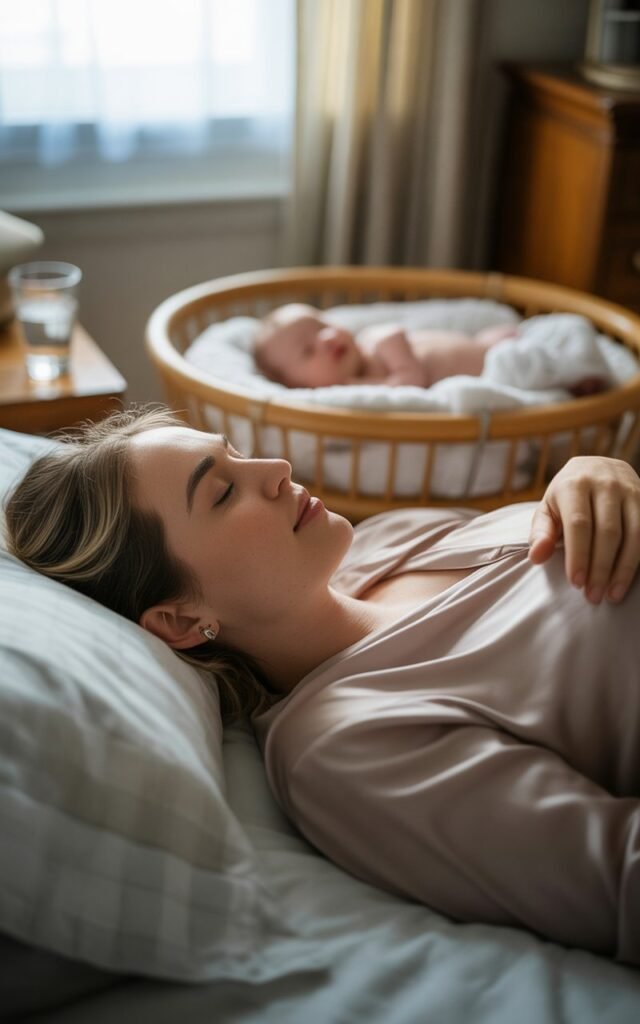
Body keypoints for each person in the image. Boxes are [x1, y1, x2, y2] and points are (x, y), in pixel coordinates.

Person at [5, 406, 640, 967]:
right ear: (179, 619)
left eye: (236, 453)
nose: (276, 467)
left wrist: (596, 472)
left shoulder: (384, 542)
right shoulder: (350, 745)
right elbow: (617, 880)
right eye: (223, 492)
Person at [253, 302, 608, 396]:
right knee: (514, 367)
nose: (327, 340)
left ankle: (573, 370)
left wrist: (365, 386)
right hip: (490, 371)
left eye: (323, 327)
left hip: (488, 352)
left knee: (523, 353)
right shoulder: (350, 395)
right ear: (299, 387)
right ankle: (566, 379)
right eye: (307, 351)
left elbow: (413, 379)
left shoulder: (377, 340)